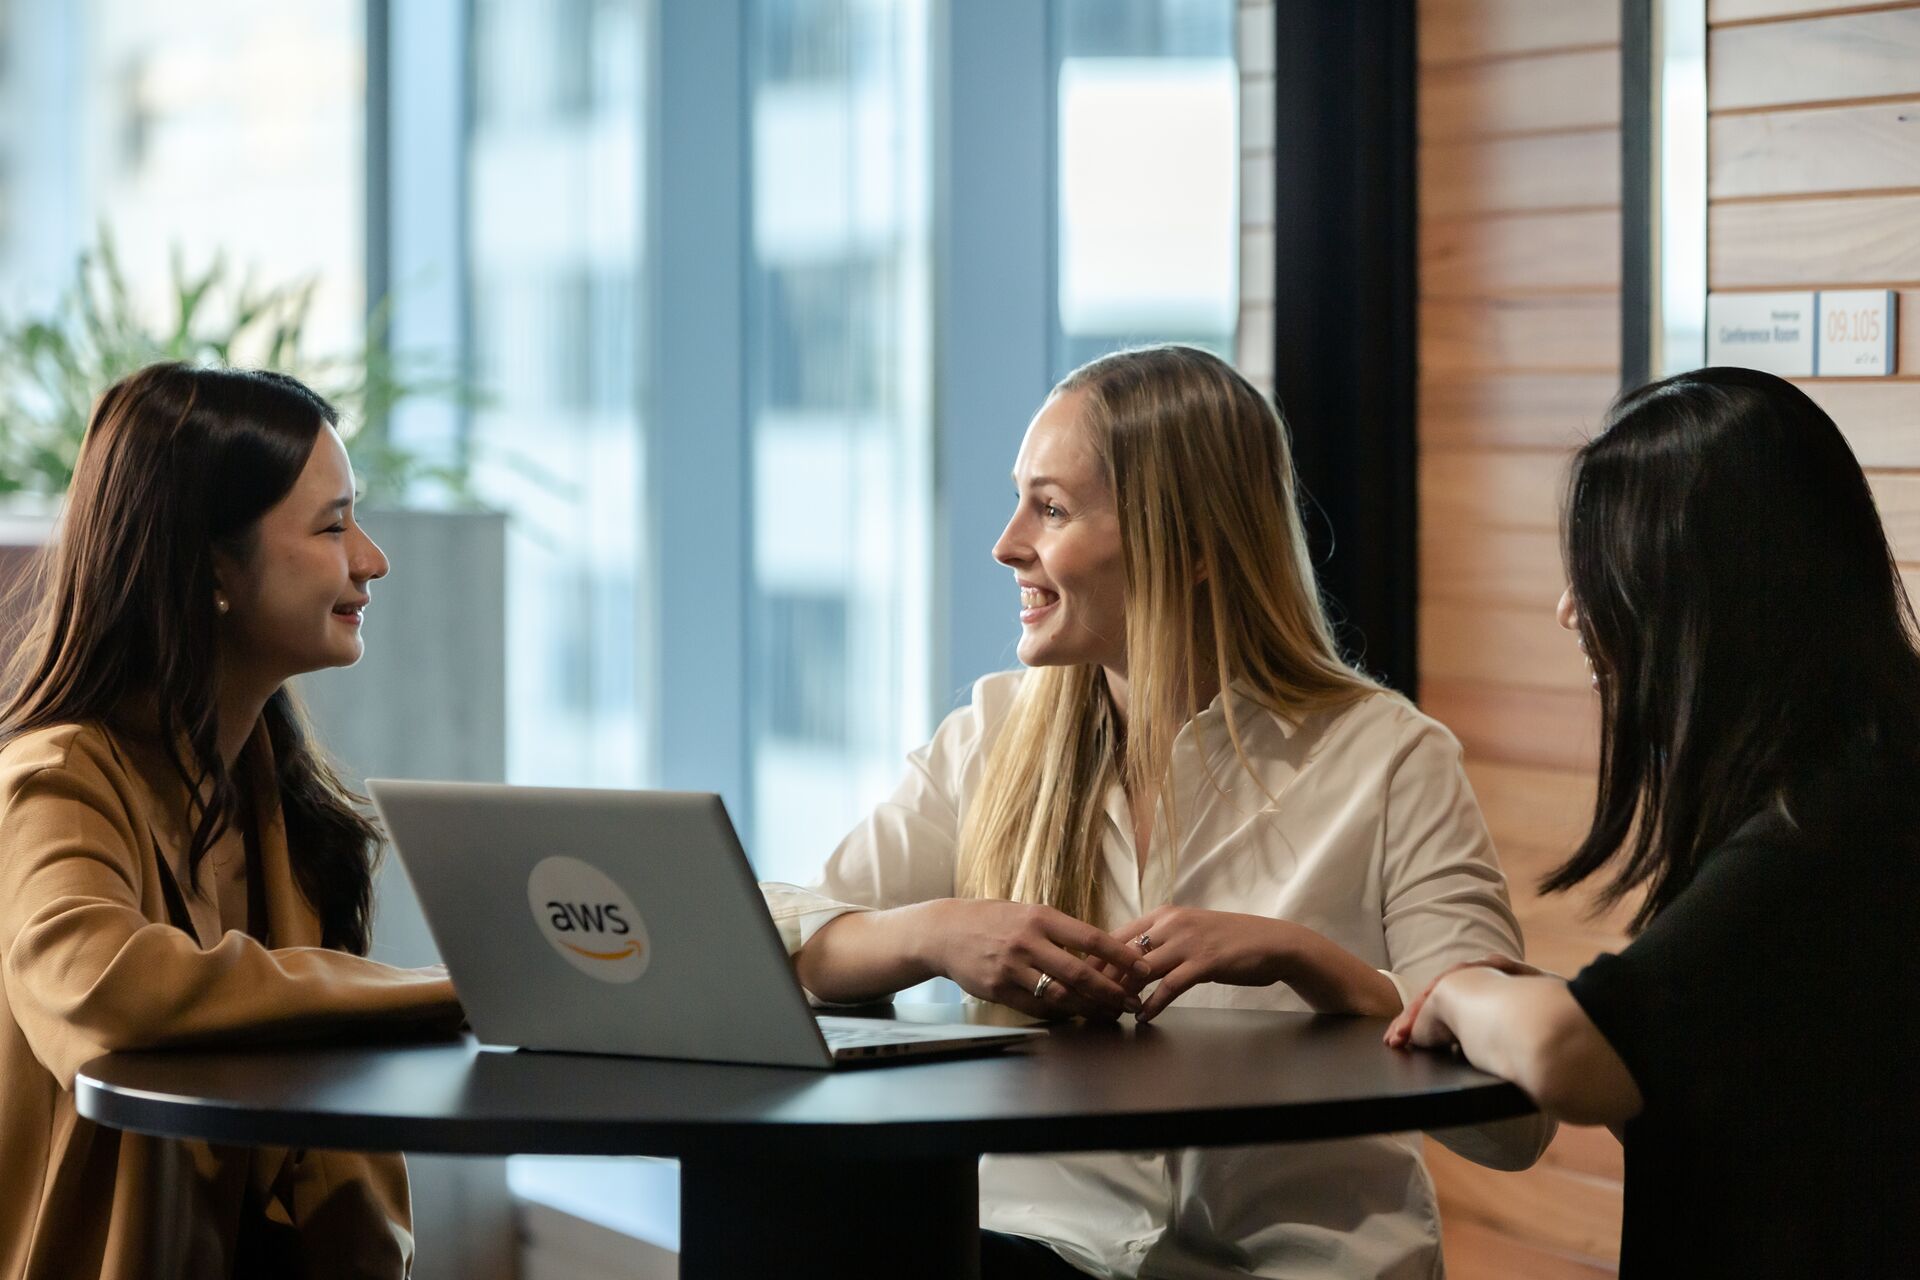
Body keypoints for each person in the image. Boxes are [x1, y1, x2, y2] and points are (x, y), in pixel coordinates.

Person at [761, 344, 1549, 1279]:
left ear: (1196, 546)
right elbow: (779, 937)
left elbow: (1517, 1121)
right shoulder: (991, 736)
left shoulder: (1391, 759)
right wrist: (937, 934)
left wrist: (1310, 963)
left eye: (1050, 509)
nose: (1007, 543)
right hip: (1035, 1250)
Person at [1386, 367, 1920, 1276]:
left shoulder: (1823, 825)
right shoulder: (1869, 766)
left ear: (1698, 593)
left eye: (1599, 572)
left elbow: (1566, 1055)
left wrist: (1465, 989)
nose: (1569, 608)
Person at [0, 363, 464, 1280]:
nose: (371, 558)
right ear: (211, 564)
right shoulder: (53, 781)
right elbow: (103, 988)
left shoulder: (292, 812)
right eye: (332, 526)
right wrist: (449, 989)